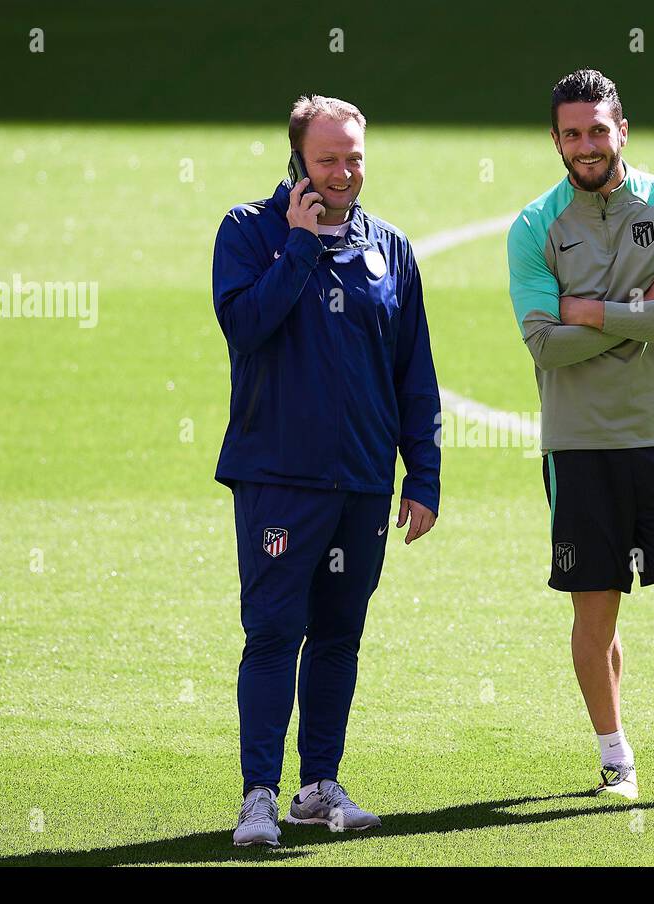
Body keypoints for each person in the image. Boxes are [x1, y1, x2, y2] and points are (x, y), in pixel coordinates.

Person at [506, 69, 654, 809]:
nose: (586, 146)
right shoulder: (532, 227)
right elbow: (544, 346)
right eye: (572, 134)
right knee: (594, 608)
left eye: (598, 131)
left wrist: (592, 312)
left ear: (623, 130)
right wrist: (641, 308)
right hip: (579, 448)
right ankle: (616, 759)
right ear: (555, 140)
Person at [211, 94, 441, 846]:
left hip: (364, 483)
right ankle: (257, 797)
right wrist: (301, 247)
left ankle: (319, 786)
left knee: (339, 633)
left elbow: (415, 373)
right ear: (297, 161)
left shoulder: (390, 248)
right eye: (328, 159)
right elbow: (245, 328)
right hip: (279, 477)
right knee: (274, 631)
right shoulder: (249, 232)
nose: (344, 173)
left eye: (355, 158)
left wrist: (424, 476)